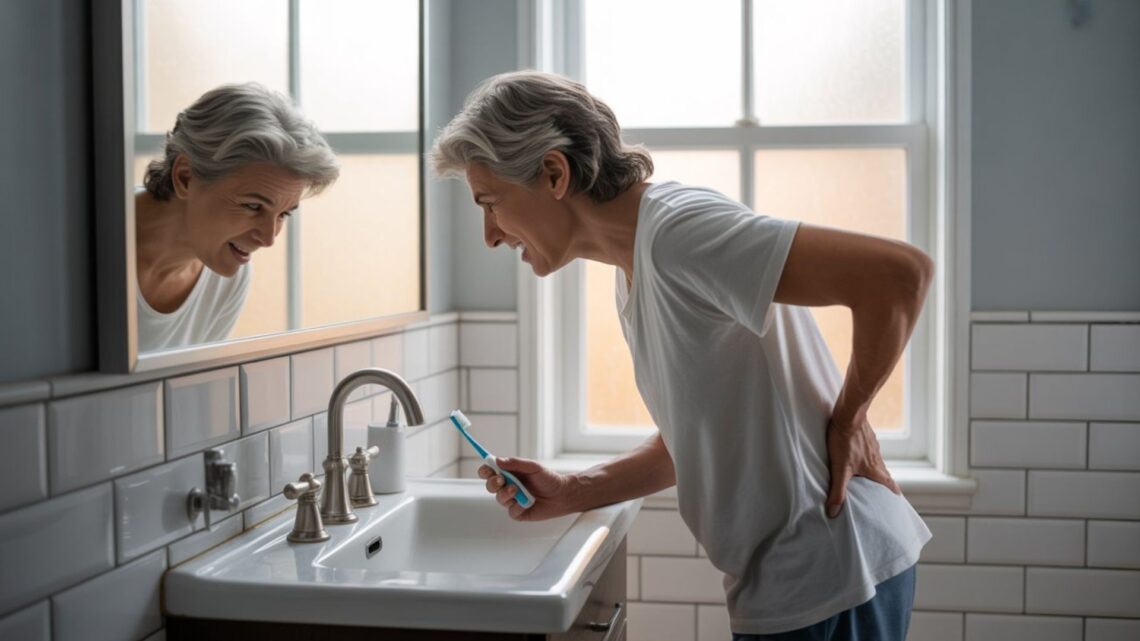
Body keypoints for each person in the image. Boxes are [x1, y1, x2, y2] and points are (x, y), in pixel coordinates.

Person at [431, 71, 933, 641]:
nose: (490, 235)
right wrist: (572, 490)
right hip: (810, 575)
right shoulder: (640, 263)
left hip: (831, 570)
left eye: (490, 203)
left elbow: (899, 275)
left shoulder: (678, 233)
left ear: (553, 173)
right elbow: (696, 440)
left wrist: (849, 419)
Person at [136, 83, 339, 352]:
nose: (268, 239)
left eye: (283, 214)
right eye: (253, 206)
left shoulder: (228, 278)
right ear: (185, 177)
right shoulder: (88, 242)